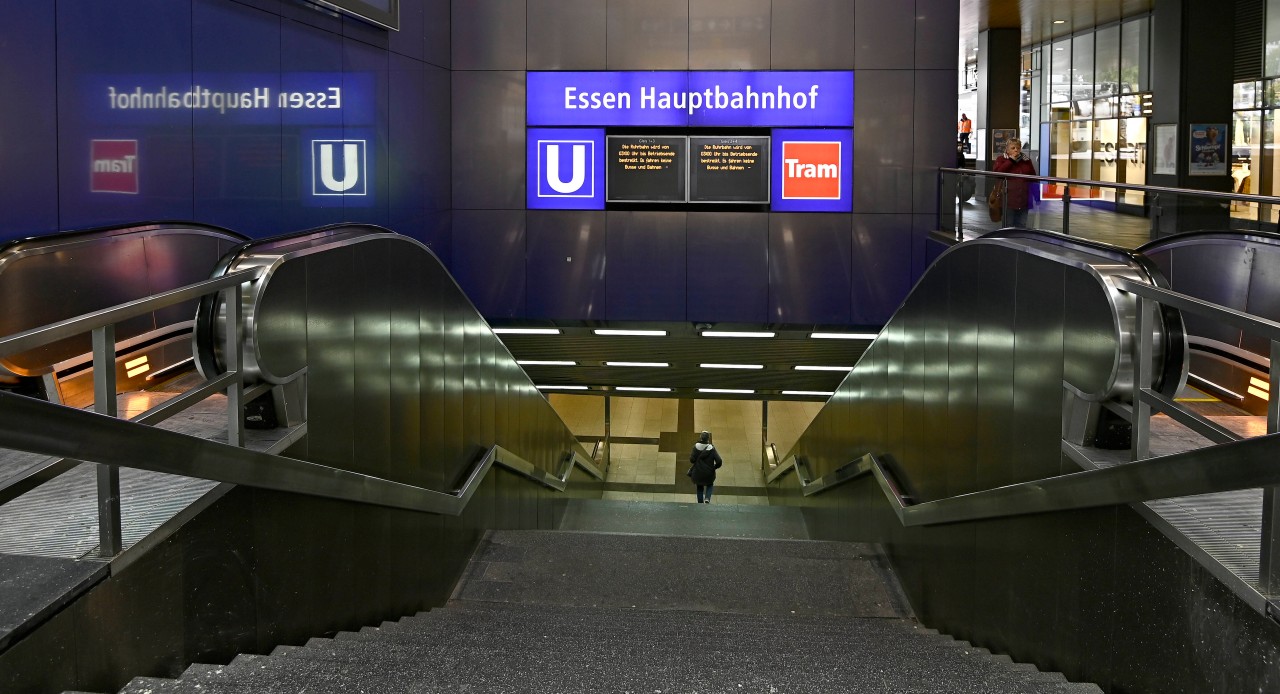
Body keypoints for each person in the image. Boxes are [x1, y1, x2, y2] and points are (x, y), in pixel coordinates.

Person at [992, 139, 1036, 228]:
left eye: (1018, 148)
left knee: (1022, 225)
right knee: (1008, 225)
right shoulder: (1001, 159)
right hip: (1008, 200)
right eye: (1013, 148)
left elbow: (1033, 177)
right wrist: (1011, 161)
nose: (1016, 150)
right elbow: (998, 173)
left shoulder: (1026, 161)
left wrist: (1036, 195)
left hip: (1024, 199)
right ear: (1007, 150)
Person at [688, 430, 723, 504]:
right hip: (709, 472)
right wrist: (714, 467)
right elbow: (719, 461)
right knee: (710, 484)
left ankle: (700, 503)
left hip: (698, 472)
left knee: (699, 486)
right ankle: (707, 498)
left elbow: (692, 460)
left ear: (701, 437)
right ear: (708, 439)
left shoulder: (695, 447)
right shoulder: (711, 448)